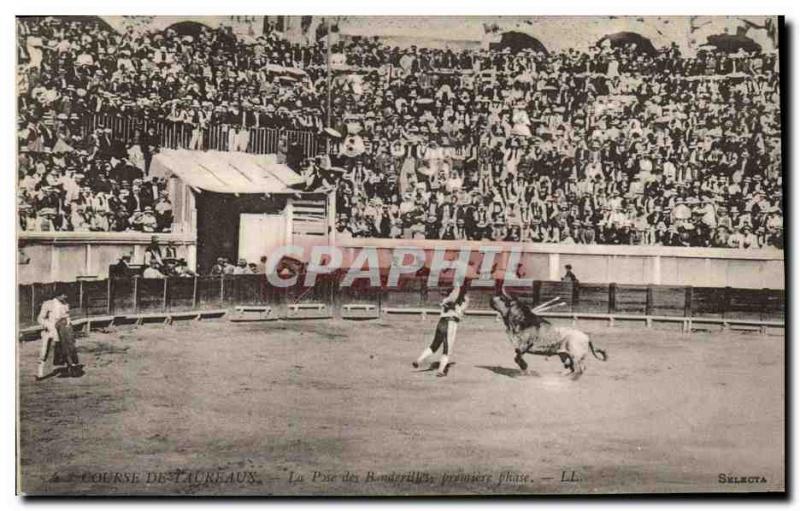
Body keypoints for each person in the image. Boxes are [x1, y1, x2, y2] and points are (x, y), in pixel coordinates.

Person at [412, 284, 469, 377]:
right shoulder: (462, 301)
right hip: (451, 323)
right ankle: (441, 370)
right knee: (447, 349)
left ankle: (419, 360)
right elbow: (462, 307)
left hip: (441, 323)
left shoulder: (446, 300)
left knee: (434, 345)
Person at [36, 293, 82, 379]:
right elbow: (40, 318)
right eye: (63, 295)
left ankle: (71, 368)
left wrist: (68, 325)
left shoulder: (65, 304)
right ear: (58, 295)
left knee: (67, 346)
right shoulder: (48, 303)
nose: (65, 297)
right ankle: (40, 373)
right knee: (44, 349)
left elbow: (67, 317)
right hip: (50, 328)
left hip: (62, 329)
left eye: (66, 295)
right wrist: (49, 326)